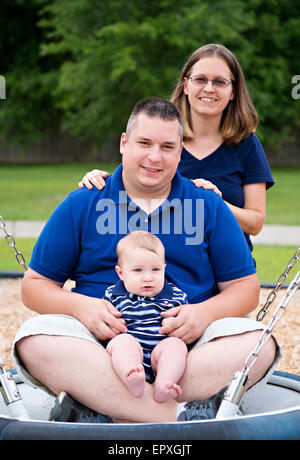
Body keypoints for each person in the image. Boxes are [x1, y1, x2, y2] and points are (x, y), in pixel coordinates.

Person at [13, 97, 279, 424]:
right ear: (124, 144)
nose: (155, 157)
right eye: (144, 143)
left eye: (168, 146)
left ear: (180, 153)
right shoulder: (85, 201)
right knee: (34, 339)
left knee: (260, 343)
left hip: (189, 352)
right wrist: (82, 307)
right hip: (100, 351)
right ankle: (179, 414)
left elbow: (246, 289)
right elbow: (35, 287)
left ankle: (104, 408)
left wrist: (203, 313)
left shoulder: (207, 205)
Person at [79, 44, 274, 253]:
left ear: (232, 91)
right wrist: (98, 180)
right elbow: (130, 190)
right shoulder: (162, 135)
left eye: (219, 81)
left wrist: (214, 203)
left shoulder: (246, 144)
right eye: (200, 79)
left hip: (226, 264)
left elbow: (255, 223)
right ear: (186, 85)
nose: (209, 88)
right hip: (166, 263)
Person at [104, 231, 188, 402]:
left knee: (176, 345)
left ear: (164, 268)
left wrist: (175, 323)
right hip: (130, 350)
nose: (148, 278)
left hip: (160, 353)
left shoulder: (176, 296)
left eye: (156, 269)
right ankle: (132, 375)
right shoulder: (113, 295)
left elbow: (184, 321)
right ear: (121, 273)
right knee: (122, 342)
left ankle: (164, 383)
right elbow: (105, 322)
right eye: (138, 270)